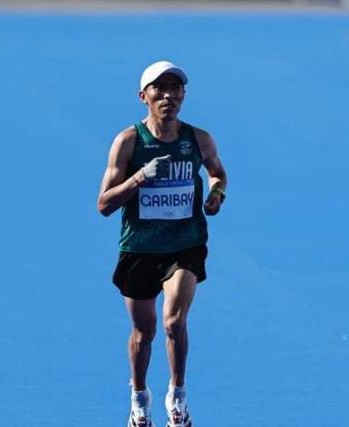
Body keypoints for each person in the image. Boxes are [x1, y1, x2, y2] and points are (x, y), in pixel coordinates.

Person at [97, 60, 227, 427]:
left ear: (184, 95)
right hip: (139, 248)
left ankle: (178, 397)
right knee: (144, 332)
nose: (168, 95)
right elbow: (104, 205)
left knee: (173, 322)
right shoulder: (128, 142)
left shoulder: (198, 139)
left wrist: (217, 195)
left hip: (185, 244)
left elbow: (218, 173)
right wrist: (139, 177)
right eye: (159, 89)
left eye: (176, 89)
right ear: (144, 97)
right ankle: (139, 399)